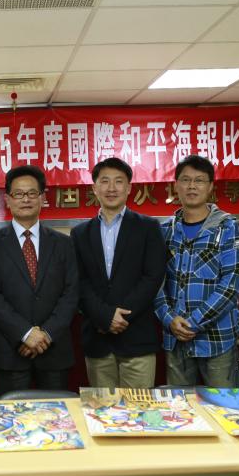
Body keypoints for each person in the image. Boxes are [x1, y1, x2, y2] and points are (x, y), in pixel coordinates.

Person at [0, 165, 78, 397]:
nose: (26, 199)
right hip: (10, 351)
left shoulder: (64, 243)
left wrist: (45, 334)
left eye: (32, 193)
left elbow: (71, 293)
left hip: (54, 351)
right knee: (9, 415)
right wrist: (25, 333)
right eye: (19, 194)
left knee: (58, 415)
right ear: (7, 199)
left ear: (43, 198)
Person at [71, 157, 166, 389]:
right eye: (104, 181)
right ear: (94, 188)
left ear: (129, 187)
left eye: (118, 181)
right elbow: (79, 281)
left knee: (139, 409)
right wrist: (104, 317)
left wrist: (120, 317)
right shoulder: (80, 233)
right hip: (98, 340)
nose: (111, 188)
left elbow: (153, 277)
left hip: (137, 338)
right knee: (102, 409)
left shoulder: (149, 227)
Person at [154, 155, 239, 387]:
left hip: (217, 340)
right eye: (185, 180)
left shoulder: (228, 227)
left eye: (199, 180)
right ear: (176, 185)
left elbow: (231, 286)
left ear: (211, 186)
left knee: (222, 405)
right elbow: (154, 283)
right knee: (179, 406)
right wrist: (169, 319)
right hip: (175, 338)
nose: (191, 186)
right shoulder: (164, 230)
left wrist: (193, 322)